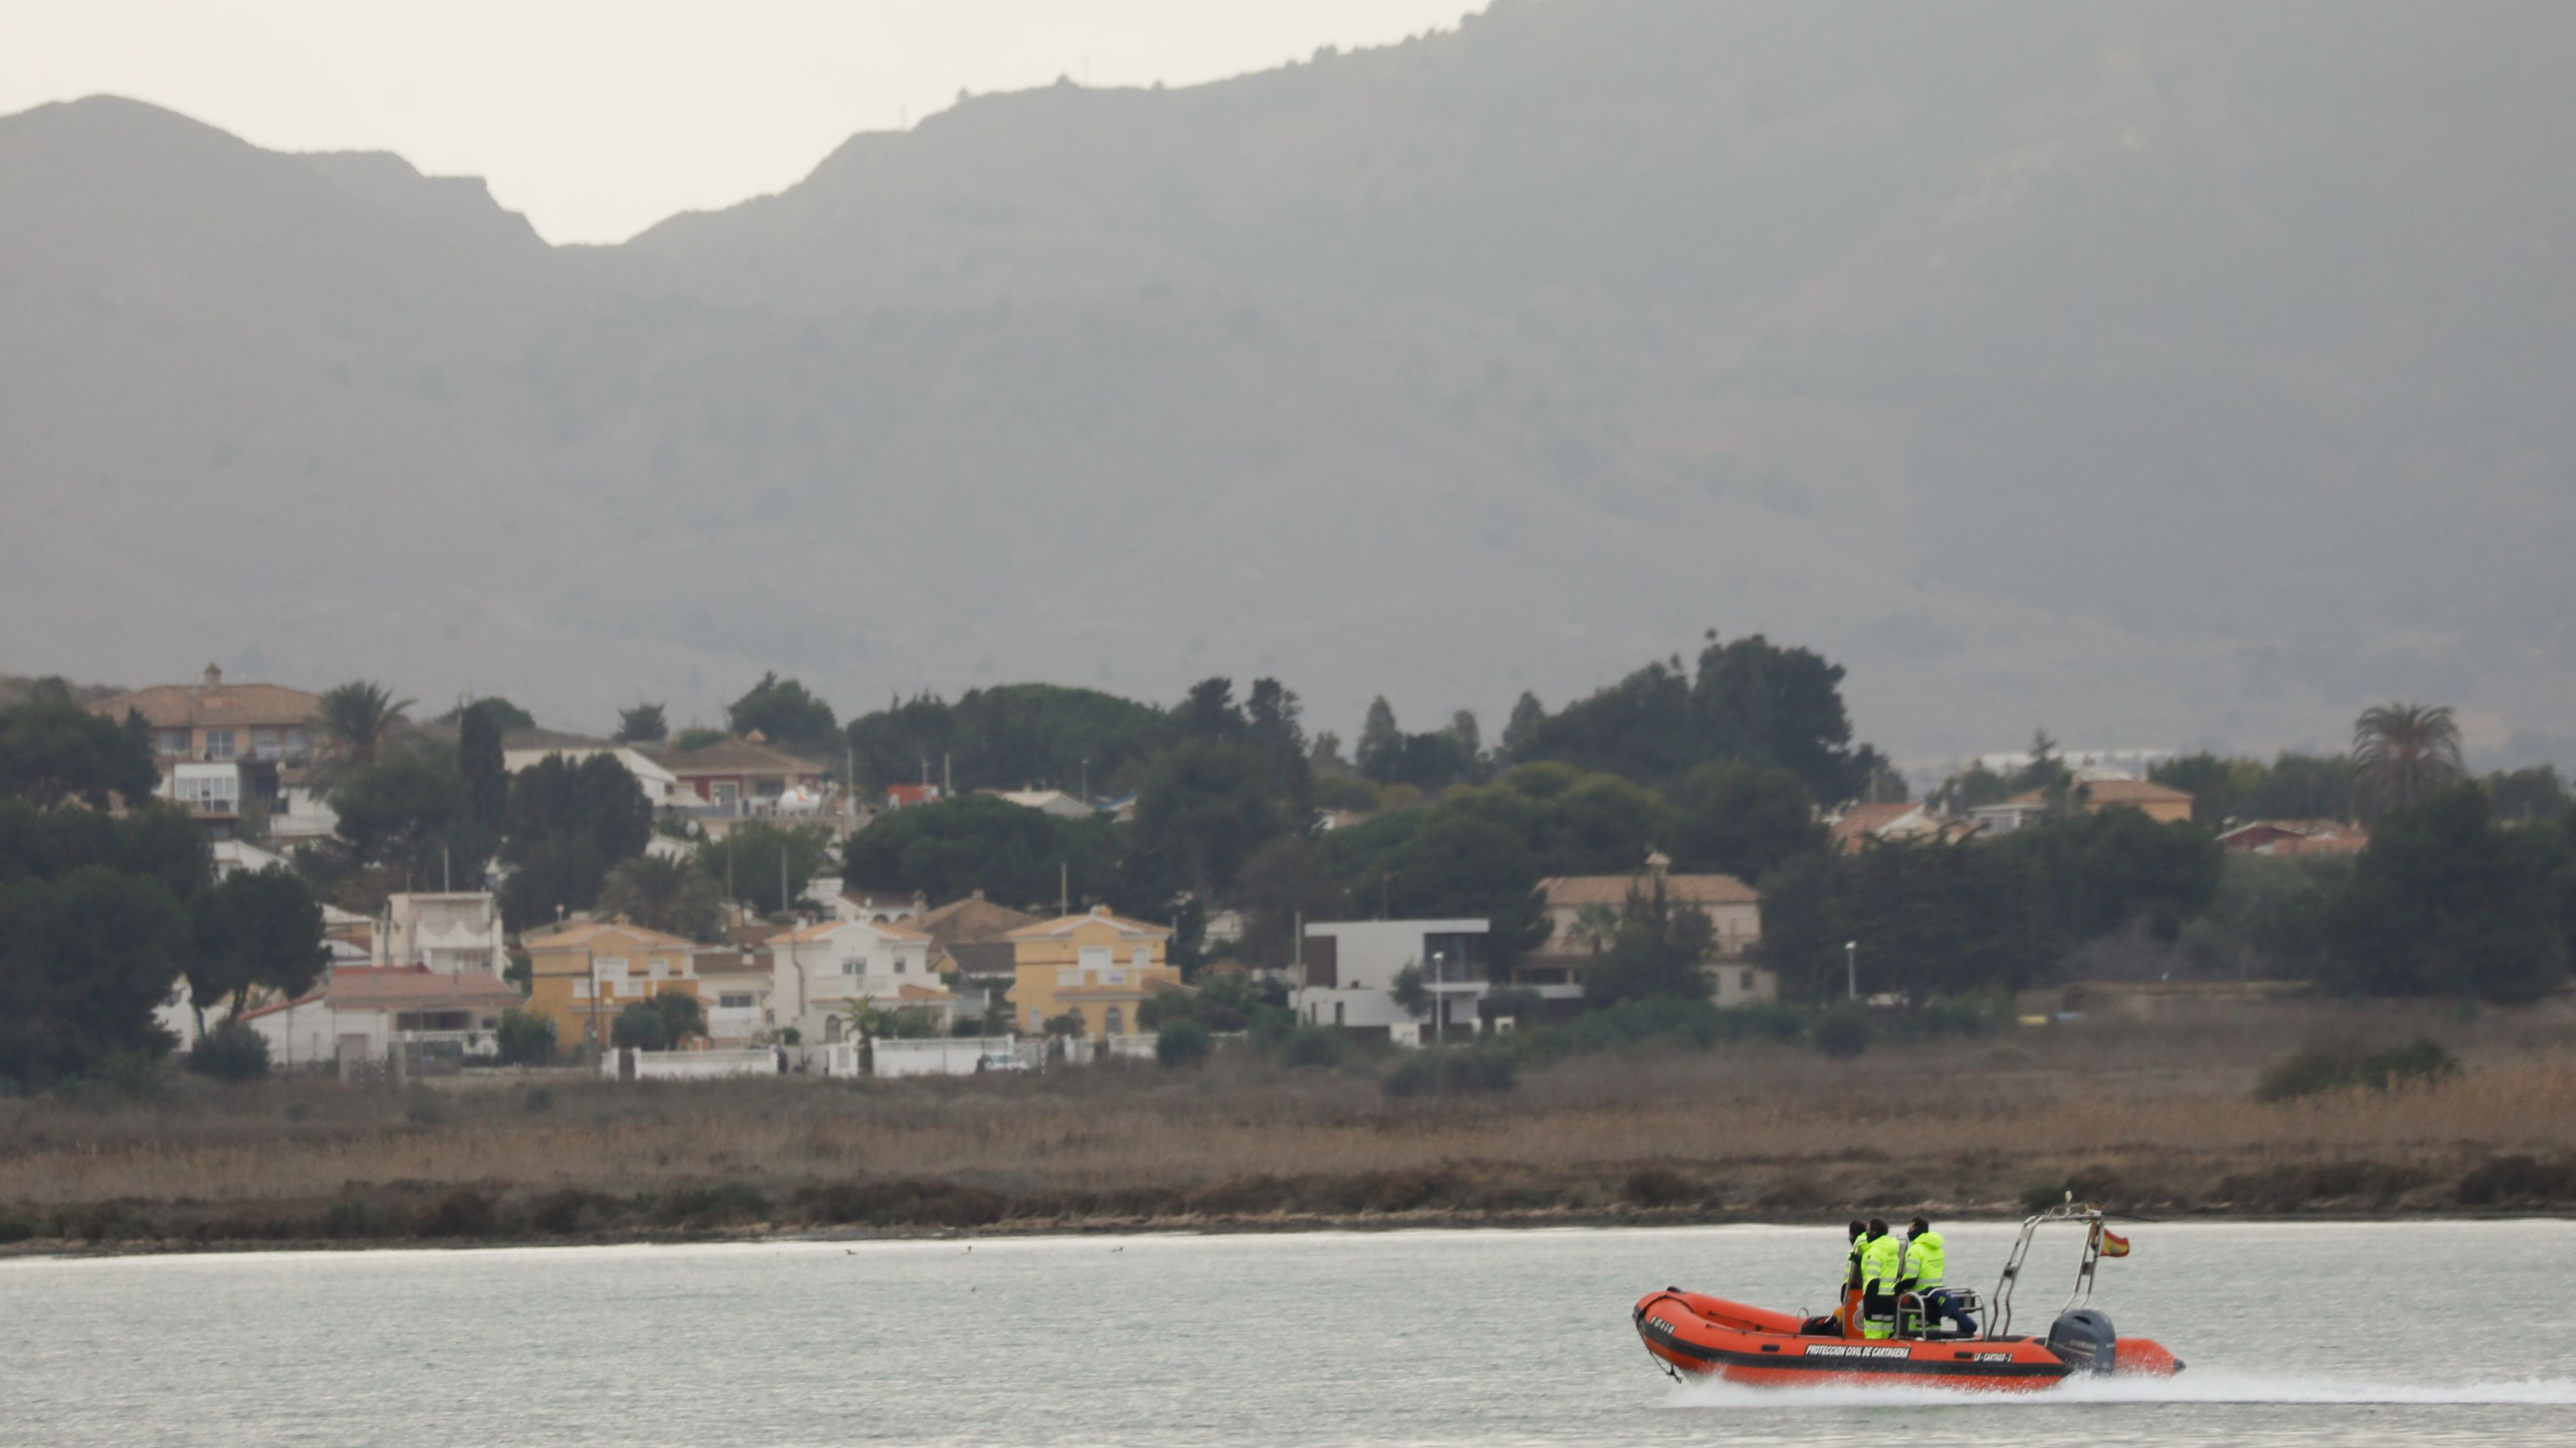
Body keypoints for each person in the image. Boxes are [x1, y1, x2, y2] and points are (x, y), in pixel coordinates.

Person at [1906, 1215, 1977, 1338]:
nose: (1908, 1231)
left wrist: (1899, 1289)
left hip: (1919, 1296)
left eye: (1910, 1228)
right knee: (1934, 1325)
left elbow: (1910, 1278)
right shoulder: (1938, 1249)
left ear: (1916, 1229)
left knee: (1916, 1327)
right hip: (1937, 1294)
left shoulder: (1915, 1250)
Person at [1858, 1218, 1902, 1341]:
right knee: (1886, 1333)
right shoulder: (1894, 1253)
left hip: (1876, 1298)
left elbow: (1873, 1278)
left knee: (1873, 1332)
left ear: (1874, 1232)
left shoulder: (1873, 1252)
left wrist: (1868, 1299)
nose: (1866, 1234)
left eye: (1867, 1230)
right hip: (1890, 1298)